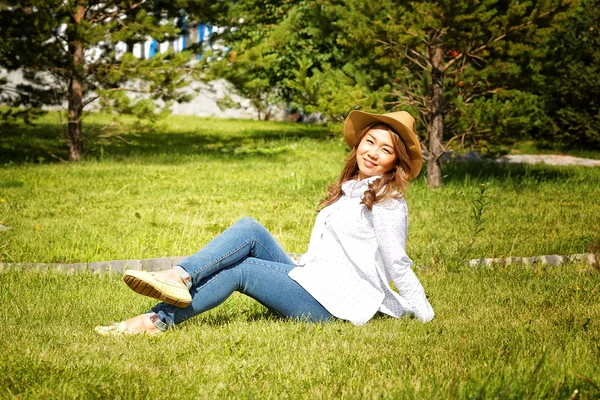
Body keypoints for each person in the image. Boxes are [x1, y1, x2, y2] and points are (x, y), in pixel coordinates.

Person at [95, 110, 434, 335]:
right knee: (250, 228)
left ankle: (155, 321)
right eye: (370, 142)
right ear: (359, 143)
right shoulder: (350, 189)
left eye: (385, 150)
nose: (373, 152)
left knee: (241, 270)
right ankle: (177, 276)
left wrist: (426, 316)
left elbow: (397, 264)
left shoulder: (389, 202)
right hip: (316, 281)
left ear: (395, 162)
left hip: (334, 306)